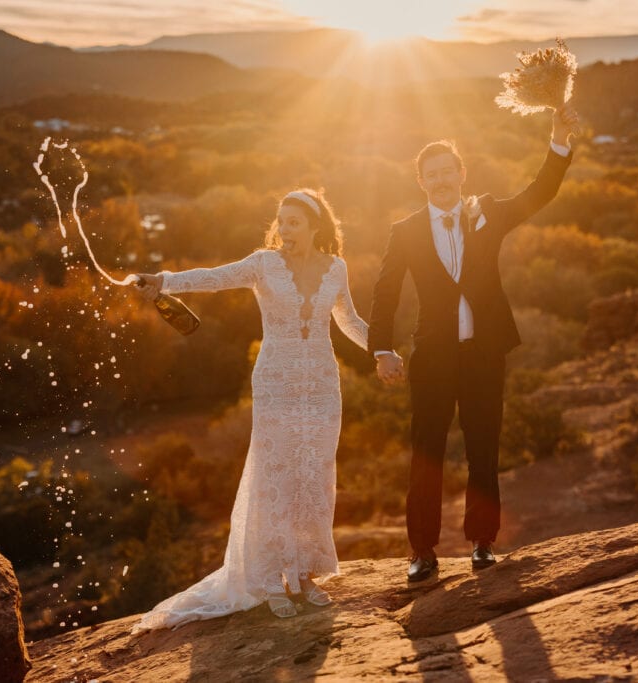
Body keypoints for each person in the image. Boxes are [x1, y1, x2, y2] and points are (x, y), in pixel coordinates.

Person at [130, 188, 369, 632]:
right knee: (275, 474)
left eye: (294, 221)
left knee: (313, 474)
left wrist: (386, 350)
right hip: (276, 381)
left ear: (316, 226)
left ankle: (303, 575)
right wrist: (164, 281)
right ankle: (269, 581)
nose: (285, 229)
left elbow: (349, 321)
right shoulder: (263, 264)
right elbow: (215, 278)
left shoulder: (336, 268)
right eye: (281, 221)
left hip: (321, 384)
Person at [368, 103, 579, 582]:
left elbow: (540, 192)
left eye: (448, 171)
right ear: (421, 181)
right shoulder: (404, 232)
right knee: (427, 453)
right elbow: (385, 293)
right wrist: (381, 348)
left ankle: (484, 543)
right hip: (432, 359)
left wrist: (558, 140)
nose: (441, 180)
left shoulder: (489, 213)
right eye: (432, 174)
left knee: (484, 447)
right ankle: (422, 551)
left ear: (461, 173)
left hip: (485, 354)